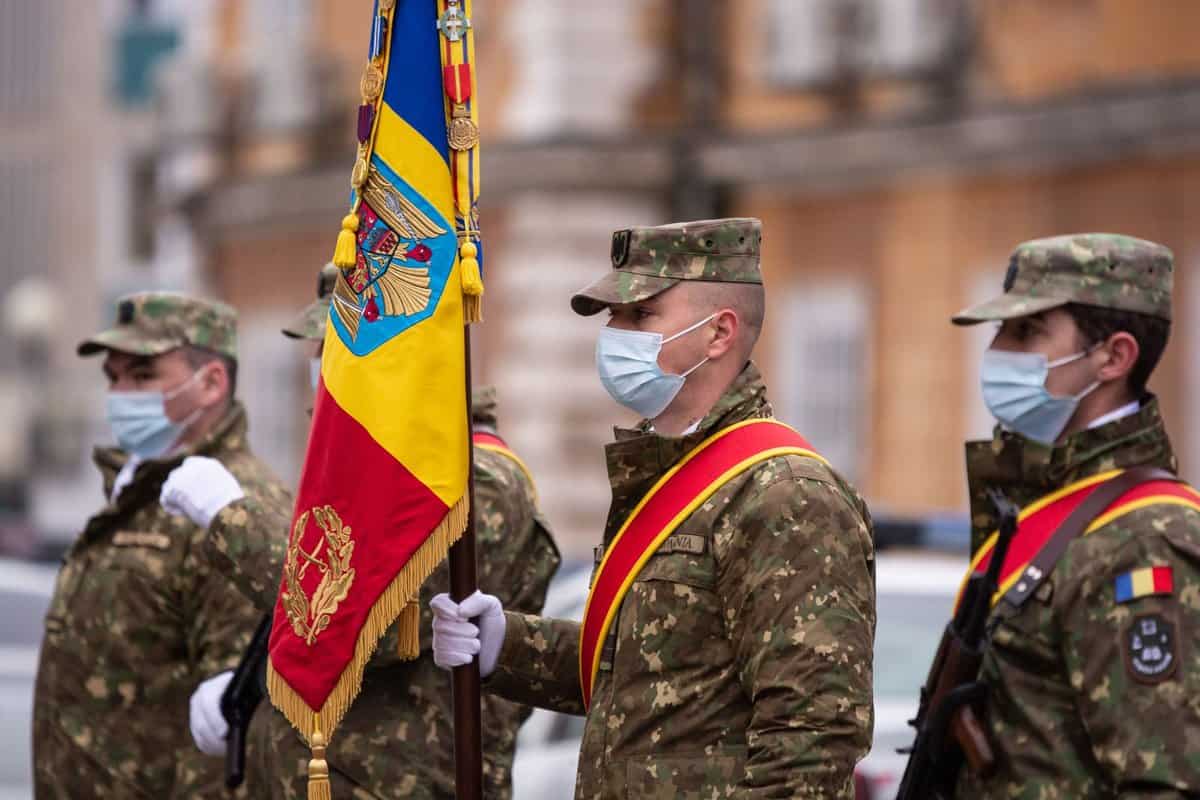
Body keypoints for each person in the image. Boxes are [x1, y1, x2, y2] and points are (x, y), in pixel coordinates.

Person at [432, 218, 876, 797]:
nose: (615, 332)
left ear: (719, 334)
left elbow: (814, 736)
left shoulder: (783, 493)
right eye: (612, 317)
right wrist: (505, 646)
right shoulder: (665, 475)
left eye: (640, 315)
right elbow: (646, 680)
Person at [177, 263, 562, 799]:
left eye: (332, 347)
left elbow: (362, 621)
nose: (320, 369)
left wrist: (230, 516)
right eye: (319, 350)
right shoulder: (367, 472)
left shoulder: (475, 482)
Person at [950, 233, 1200, 797]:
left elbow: (1163, 782)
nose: (999, 352)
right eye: (1001, 332)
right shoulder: (1043, 506)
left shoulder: (1143, 539)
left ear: (1114, 357)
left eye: (1028, 332)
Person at [32, 291, 293, 798]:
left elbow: (230, 728)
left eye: (143, 376)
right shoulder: (139, 490)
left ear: (211, 383)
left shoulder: (232, 508)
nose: (122, 393)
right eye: (114, 377)